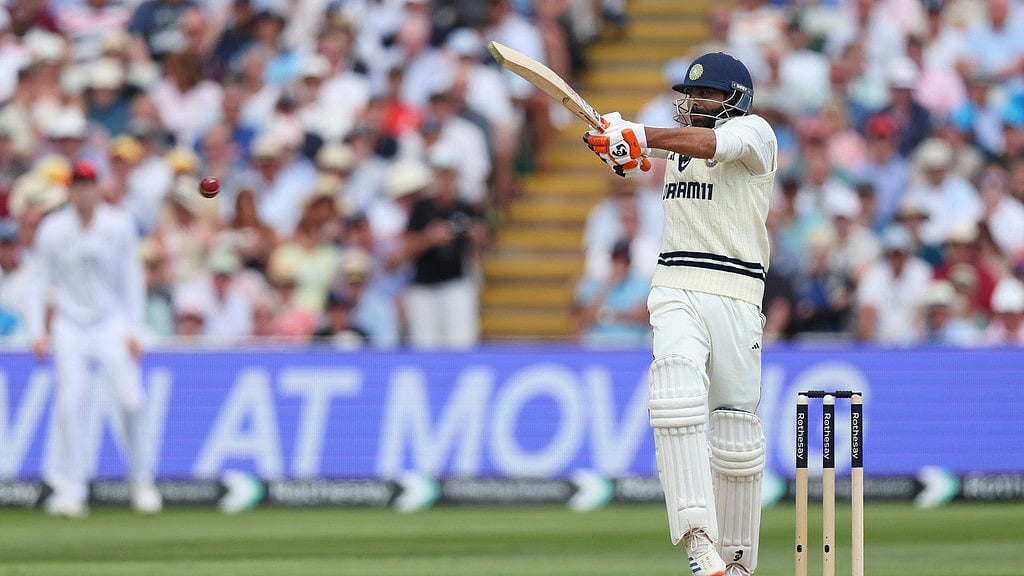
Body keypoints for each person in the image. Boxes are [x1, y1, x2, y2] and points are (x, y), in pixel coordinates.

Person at [583, 52, 777, 576]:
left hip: (738, 293)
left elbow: (709, 145)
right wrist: (620, 150)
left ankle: (735, 566)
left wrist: (639, 135)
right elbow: (647, 157)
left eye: (710, 94)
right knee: (675, 393)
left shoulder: (756, 133)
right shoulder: (679, 143)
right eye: (693, 95)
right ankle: (697, 540)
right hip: (675, 284)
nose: (697, 103)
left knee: (736, 436)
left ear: (736, 98)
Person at [25, 160, 162, 518]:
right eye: (78, 184)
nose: (84, 191)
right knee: (70, 405)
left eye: (89, 184)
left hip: (111, 321)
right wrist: (37, 329)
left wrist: (134, 328)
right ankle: (74, 490)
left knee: (132, 401)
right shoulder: (53, 229)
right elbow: (38, 280)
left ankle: (142, 482)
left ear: (98, 187)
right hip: (69, 323)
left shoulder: (119, 224)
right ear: (70, 189)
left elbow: (131, 278)